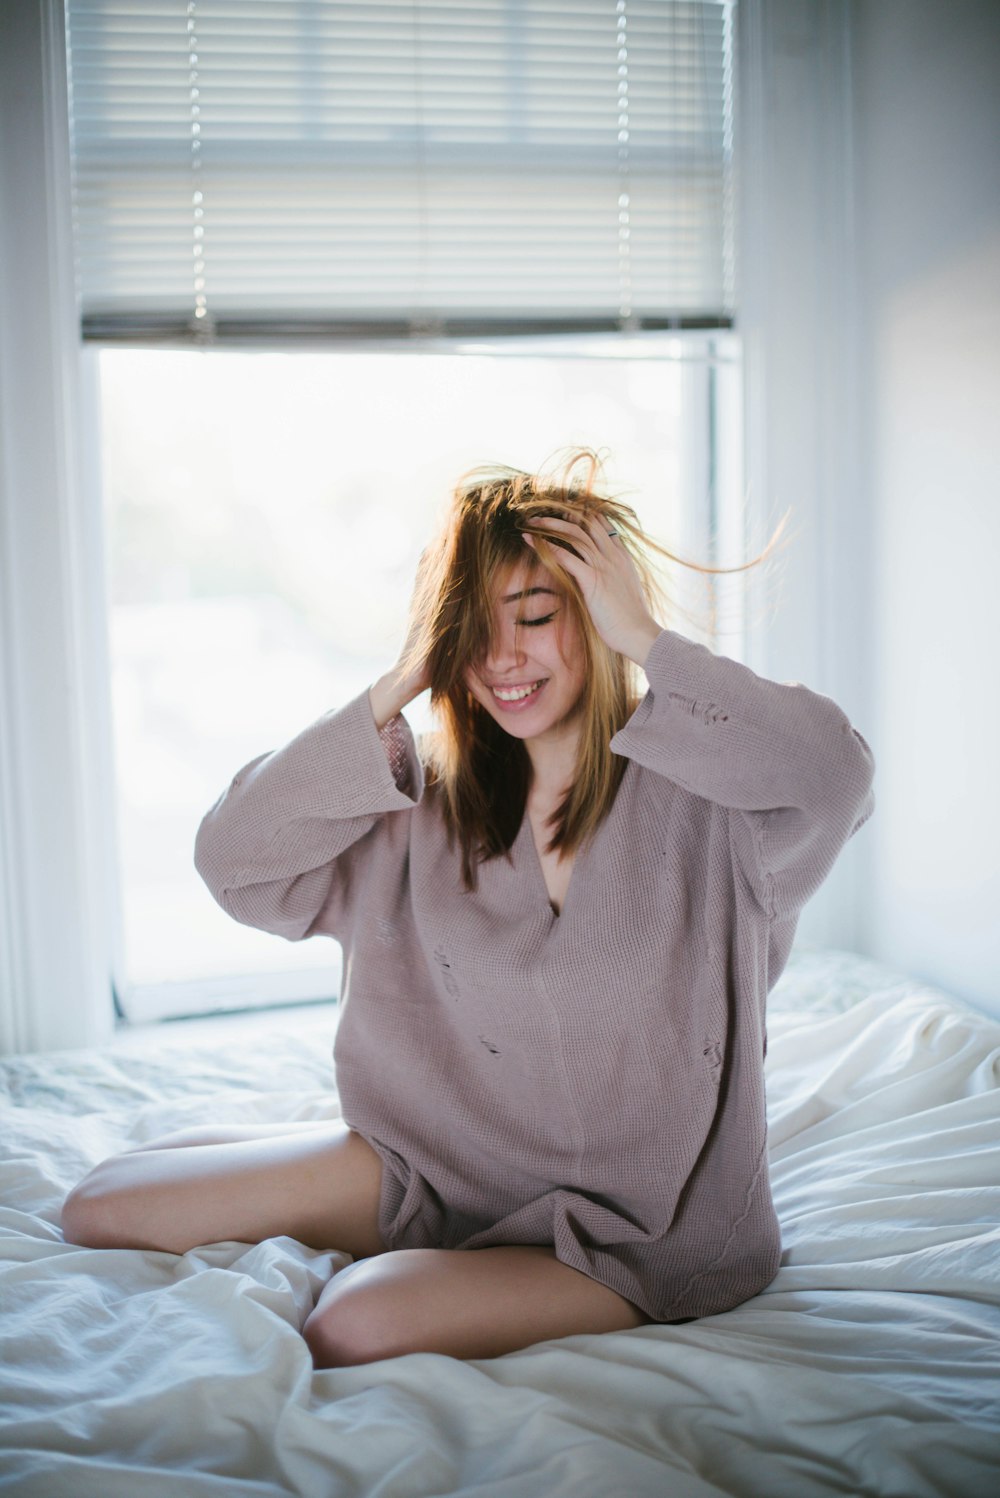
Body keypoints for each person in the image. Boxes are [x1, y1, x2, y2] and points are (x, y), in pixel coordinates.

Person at [62, 449, 876, 1368]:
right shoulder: (420, 798)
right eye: (471, 630)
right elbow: (230, 860)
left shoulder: (718, 805)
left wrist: (649, 638)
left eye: (537, 617)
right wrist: (401, 680)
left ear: (600, 618)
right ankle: (317, 1167)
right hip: (435, 1167)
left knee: (353, 1320)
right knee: (100, 1207)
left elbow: (836, 774)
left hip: (640, 1228)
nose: (502, 659)